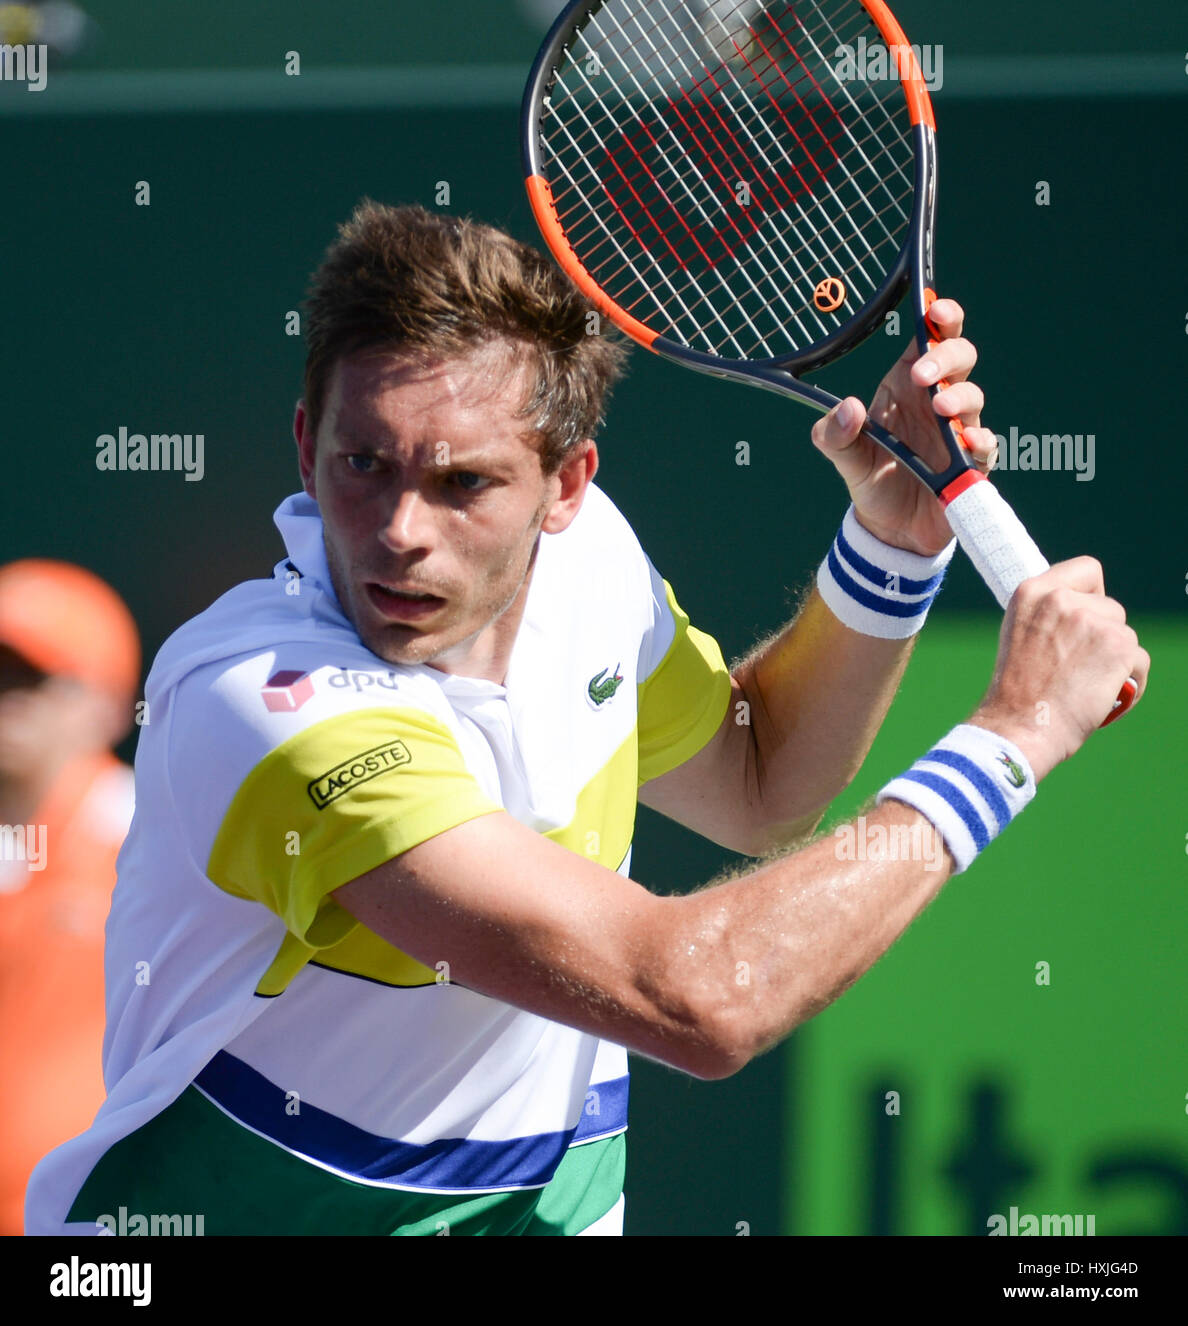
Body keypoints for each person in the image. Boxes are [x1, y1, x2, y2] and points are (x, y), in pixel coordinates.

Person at [25, 202, 1147, 1237]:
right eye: (361, 465)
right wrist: (1011, 737)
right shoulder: (265, 701)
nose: (401, 529)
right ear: (306, 441)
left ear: (566, 487)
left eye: (463, 483)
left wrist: (892, 544)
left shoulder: (590, 563)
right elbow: (699, 998)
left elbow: (759, 781)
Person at [0, 559, 139, 1235]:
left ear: (106, 703)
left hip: (89, 1236)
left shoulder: (156, 846)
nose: (6, 698)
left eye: (29, 677)